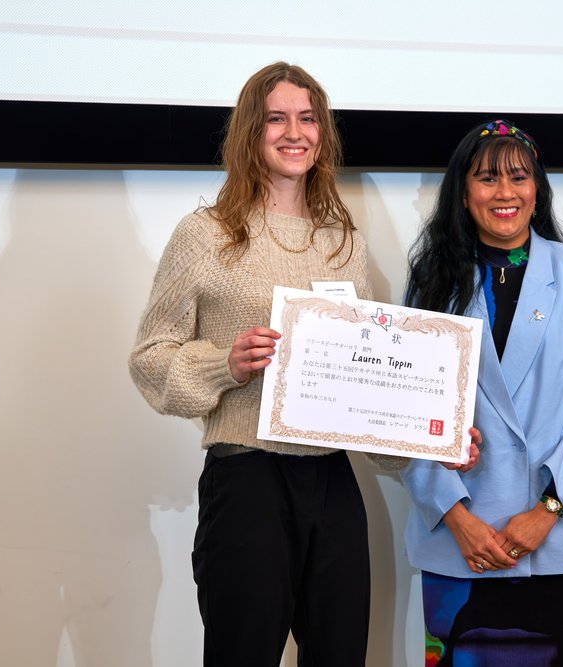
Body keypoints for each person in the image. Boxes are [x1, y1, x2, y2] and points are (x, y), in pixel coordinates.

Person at [128, 62, 482, 667]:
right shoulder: (205, 234)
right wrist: (225, 365)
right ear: (249, 132)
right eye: (276, 119)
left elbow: (366, 379)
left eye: (307, 118)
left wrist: (434, 437)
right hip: (246, 481)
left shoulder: (340, 239)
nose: (294, 132)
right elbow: (150, 358)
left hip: (331, 482)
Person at [400, 119, 563, 666]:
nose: (505, 193)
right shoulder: (431, 276)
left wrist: (546, 511)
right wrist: (456, 515)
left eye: (519, 178)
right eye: (487, 178)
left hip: (557, 533)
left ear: (538, 188)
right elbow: (404, 409)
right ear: (462, 191)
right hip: (459, 538)